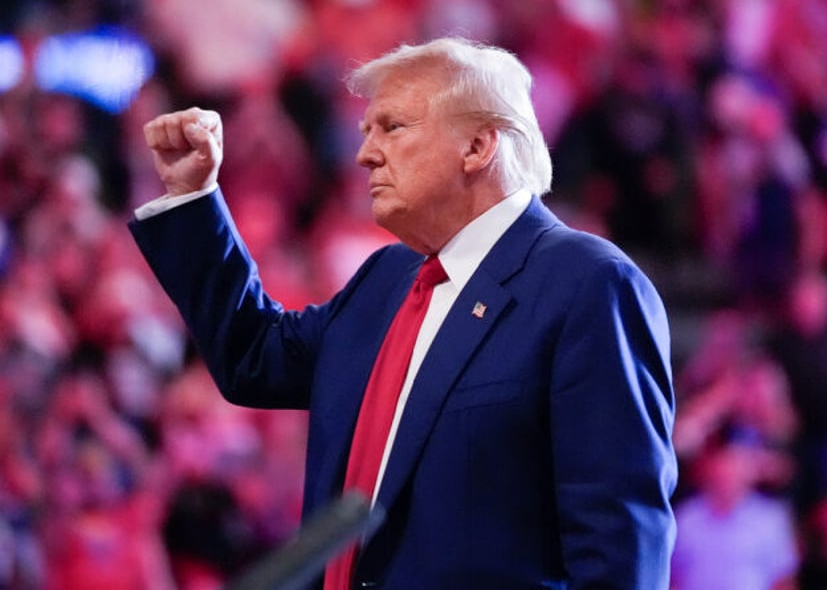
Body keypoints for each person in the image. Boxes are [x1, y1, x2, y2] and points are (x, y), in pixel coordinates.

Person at [129, 37, 677, 589]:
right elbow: (253, 355)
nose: (365, 153)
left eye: (391, 128)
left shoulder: (586, 284)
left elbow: (619, 542)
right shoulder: (386, 279)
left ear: (477, 146)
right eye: (366, 132)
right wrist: (193, 197)